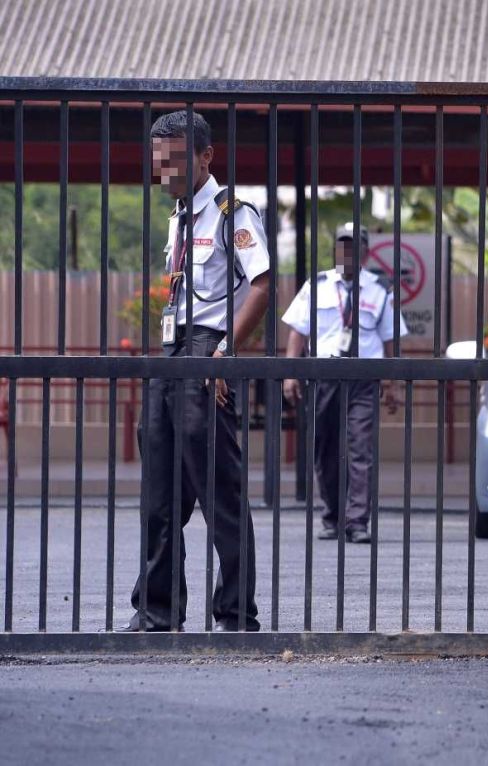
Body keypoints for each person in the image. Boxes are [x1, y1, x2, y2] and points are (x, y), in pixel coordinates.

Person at [119, 110, 270, 633]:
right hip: (171, 351)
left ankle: (234, 614)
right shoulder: (179, 217)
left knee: (220, 492)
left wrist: (226, 350)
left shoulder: (234, 212)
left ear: (206, 157)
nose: (166, 171)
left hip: (207, 354)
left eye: (177, 159)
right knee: (158, 493)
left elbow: (262, 285)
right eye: (159, 160)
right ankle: (157, 611)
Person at [281, 224, 406, 544]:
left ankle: (357, 521)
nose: (347, 253)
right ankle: (333, 516)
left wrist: (392, 384)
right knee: (325, 448)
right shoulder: (317, 285)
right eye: (342, 247)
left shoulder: (381, 288)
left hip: (364, 377)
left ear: (365, 252)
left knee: (360, 448)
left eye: (354, 248)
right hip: (323, 375)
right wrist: (292, 371)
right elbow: (298, 331)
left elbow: (390, 341)